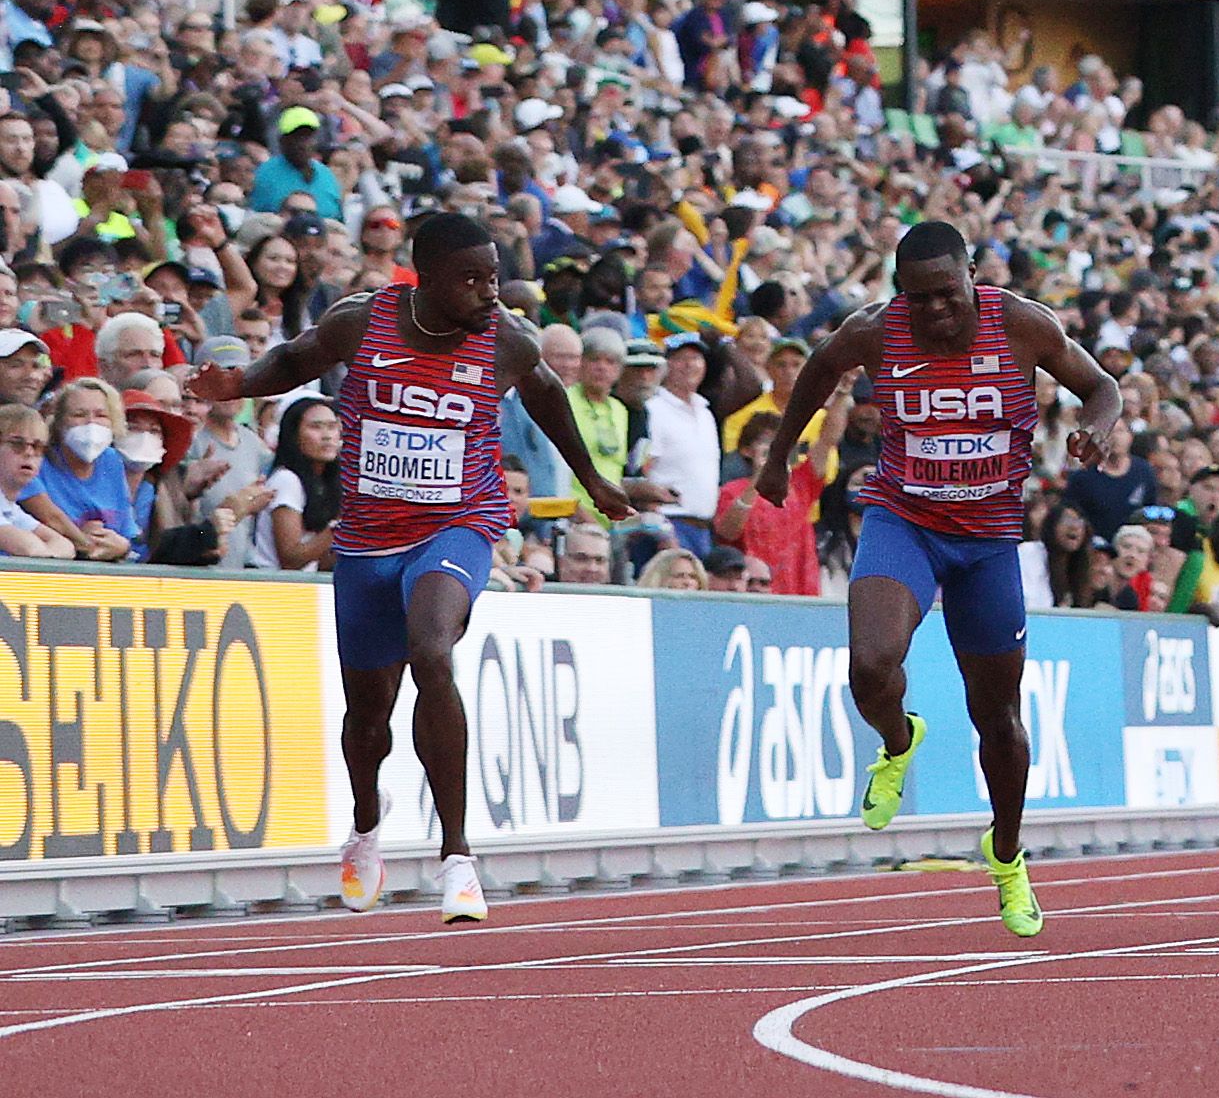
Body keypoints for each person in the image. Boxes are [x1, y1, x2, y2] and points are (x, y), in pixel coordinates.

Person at [191, 210, 638, 923]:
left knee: (432, 651)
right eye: (470, 280)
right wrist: (238, 384)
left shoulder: (506, 340)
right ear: (424, 279)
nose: (488, 292)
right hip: (368, 537)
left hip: (458, 522)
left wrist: (592, 478)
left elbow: (550, 395)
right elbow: (296, 358)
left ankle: (457, 858)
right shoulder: (360, 322)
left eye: (493, 277)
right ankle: (368, 822)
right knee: (369, 717)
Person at [748, 221, 1124, 940]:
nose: (933, 313)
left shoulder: (1020, 325)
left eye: (946, 295)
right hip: (904, 520)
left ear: (973, 276)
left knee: (999, 721)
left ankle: (1006, 854)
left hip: (987, 542)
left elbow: (1100, 385)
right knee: (870, 665)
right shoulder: (875, 331)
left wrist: (1096, 428)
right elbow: (818, 370)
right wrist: (777, 457)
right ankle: (898, 739)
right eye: (915, 299)